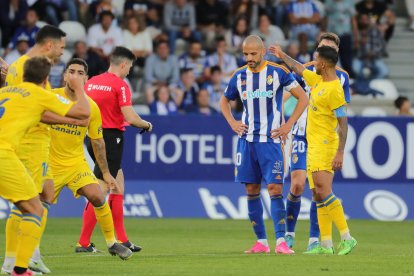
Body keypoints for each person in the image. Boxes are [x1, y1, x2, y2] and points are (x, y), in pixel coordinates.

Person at [0, 56, 90, 276]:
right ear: (45, 79)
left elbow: (42, 117)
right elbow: (83, 112)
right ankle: (19, 269)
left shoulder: (6, 92)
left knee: (33, 202)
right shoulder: (39, 94)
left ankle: (16, 265)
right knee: (35, 208)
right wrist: (79, 88)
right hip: (4, 154)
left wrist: (69, 122)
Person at [220, 35, 308, 255]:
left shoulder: (278, 72)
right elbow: (224, 99)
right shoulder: (239, 76)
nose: (249, 58)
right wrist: (232, 122)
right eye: (245, 54)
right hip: (247, 141)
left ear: (262, 52)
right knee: (251, 189)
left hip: (270, 141)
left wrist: (288, 125)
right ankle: (261, 242)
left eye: (252, 53)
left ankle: (281, 242)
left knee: (275, 188)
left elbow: (303, 97)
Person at [270, 42, 357, 255]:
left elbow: (343, 124)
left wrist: (340, 152)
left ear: (325, 64)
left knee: (324, 191)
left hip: (325, 145)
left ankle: (346, 237)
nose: (313, 63)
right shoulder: (318, 80)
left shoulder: (335, 89)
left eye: (317, 60)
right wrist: (283, 55)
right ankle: (325, 244)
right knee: (317, 193)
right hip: (313, 144)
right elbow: (299, 68)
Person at [49, 58, 133, 260]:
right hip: (49, 164)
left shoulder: (91, 107)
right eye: (71, 71)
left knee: (97, 195)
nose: (75, 76)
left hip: (76, 164)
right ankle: (29, 256)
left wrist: (105, 173)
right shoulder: (51, 97)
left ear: (86, 79)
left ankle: (112, 243)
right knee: (37, 207)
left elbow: (98, 142)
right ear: (64, 75)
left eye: (80, 73)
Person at [2, 25, 68, 275]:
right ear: (49, 45)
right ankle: (15, 262)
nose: (62, 53)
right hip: (27, 144)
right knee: (28, 204)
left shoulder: (22, 65)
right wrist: (72, 119)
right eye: (61, 47)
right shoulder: (25, 68)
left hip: (39, 143)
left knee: (46, 194)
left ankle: (31, 254)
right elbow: (32, 109)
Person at [76, 46, 153, 253]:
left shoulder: (91, 83)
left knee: (118, 184)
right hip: (111, 139)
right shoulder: (120, 85)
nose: (129, 71)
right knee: (100, 190)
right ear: (123, 64)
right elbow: (130, 117)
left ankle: (123, 239)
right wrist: (146, 124)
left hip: (91, 136)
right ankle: (83, 243)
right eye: (129, 67)